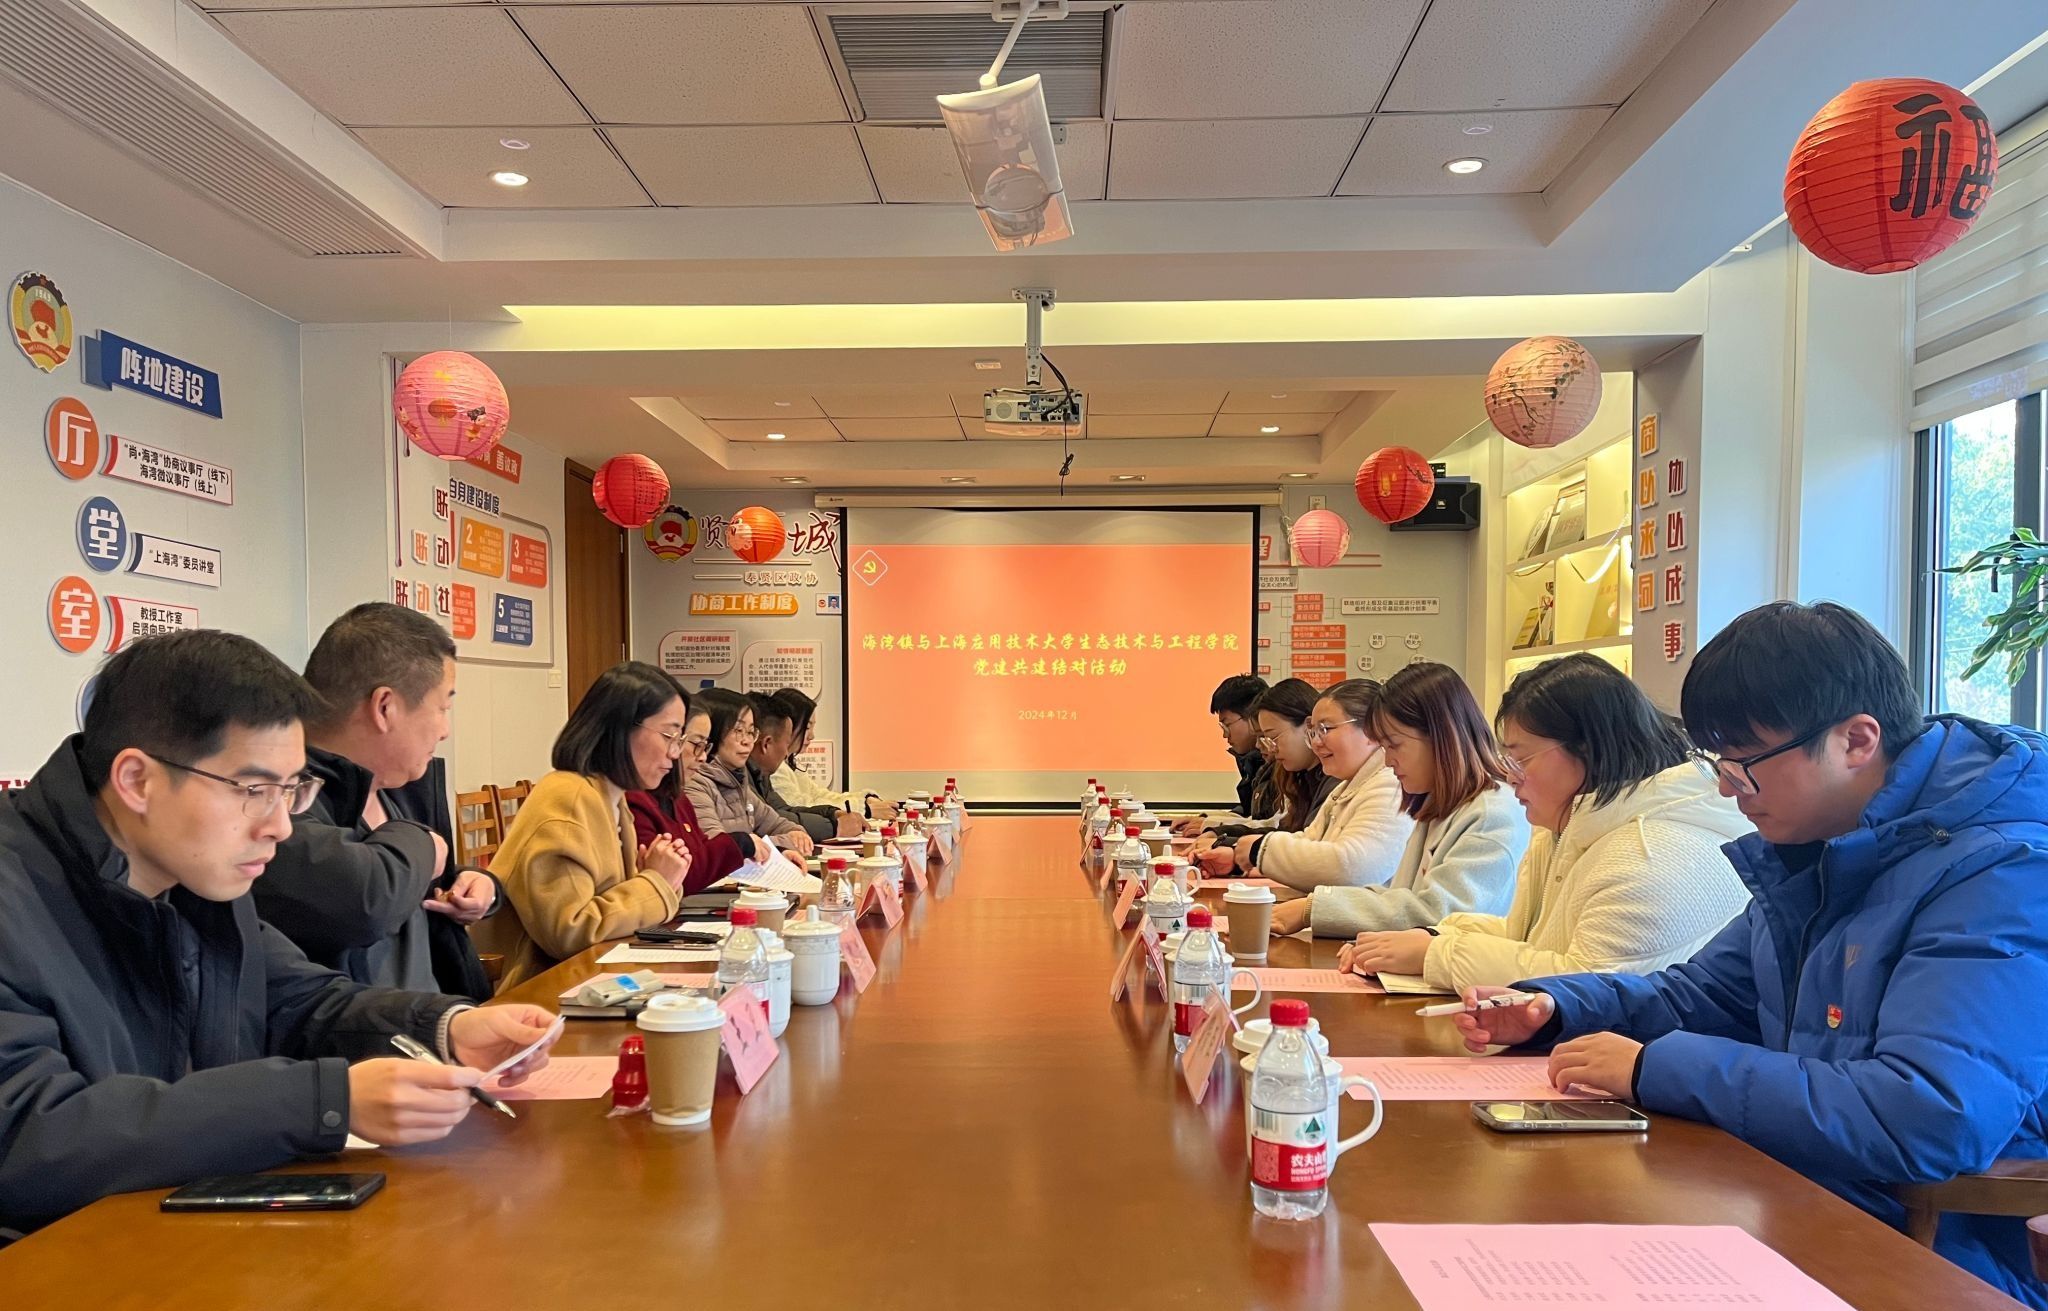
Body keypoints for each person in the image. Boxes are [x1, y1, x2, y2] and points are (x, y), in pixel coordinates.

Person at [1455, 603, 2048, 1308]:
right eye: (1718, 761)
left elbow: (1928, 1112)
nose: (1726, 787)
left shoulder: (2001, 873)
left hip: (1934, 1255)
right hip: (1796, 1200)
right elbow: (1704, 993)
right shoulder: (1820, 848)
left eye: (1745, 763)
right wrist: (1558, 1007)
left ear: (1856, 740)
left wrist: (1652, 1068)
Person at [0, 630, 560, 1238]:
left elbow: (299, 1001)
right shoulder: (20, 892)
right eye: (254, 790)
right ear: (137, 780)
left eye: (292, 791)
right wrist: (324, 1101)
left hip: (181, 1236)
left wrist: (446, 1028)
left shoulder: (193, 877)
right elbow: (30, 1134)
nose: (280, 827)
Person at [1343, 653, 1748, 992]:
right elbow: (1530, 937)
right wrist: (1434, 938)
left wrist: (1437, 954)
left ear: (1587, 749)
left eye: (1521, 758)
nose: (1511, 776)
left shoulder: (1647, 853)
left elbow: (1591, 985)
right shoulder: (1574, 827)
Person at [256, 603, 501, 1001]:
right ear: (385, 707)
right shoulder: (283, 796)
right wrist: (424, 843)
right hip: (363, 1034)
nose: (444, 730)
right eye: (442, 708)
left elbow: (425, 872)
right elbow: (366, 897)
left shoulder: (400, 783)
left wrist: (480, 886)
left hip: (439, 1020)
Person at [478, 662, 694, 990]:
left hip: (585, 981)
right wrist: (655, 883)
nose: (675, 753)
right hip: (536, 989)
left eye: (679, 739)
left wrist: (658, 878)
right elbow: (570, 932)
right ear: (621, 727)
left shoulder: (611, 797)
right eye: (669, 735)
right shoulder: (570, 797)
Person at [1274, 662, 1527, 938]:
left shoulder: (1492, 813)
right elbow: (1401, 895)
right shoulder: (1438, 806)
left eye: (1394, 745)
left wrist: (1314, 908)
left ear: (1441, 737)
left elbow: (1442, 916)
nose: (1388, 760)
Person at [1242, 679, 1411, 893]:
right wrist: (1252, 851)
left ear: (1371, 729)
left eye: (1325, 729)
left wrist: (1260, 850)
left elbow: (1353, 869)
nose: (1316, 742)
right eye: (1313, 732)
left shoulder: (1391, 785)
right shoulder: (1346, 787)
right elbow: (1311, 838)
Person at [628, 679, 766, 896]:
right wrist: (740, 843)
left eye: (706, 747)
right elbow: (681, 876)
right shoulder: (635, 800)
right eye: (696, 745)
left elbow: (700, 851)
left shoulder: (678, 798)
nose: (703, 757)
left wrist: (772, 856)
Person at [1193, 679, 1336, 876]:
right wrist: (1234, 850)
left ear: (1308, 726)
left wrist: (1237, 849)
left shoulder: (1335, 779)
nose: (1266, 747)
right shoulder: (1300, 777)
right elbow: (1287, 833)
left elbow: (1313, 850)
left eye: (1272, 737)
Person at [684, 688, 813, 858]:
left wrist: (793, 836)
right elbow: (719, 849)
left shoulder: (736, 780)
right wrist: (767, 844)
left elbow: (781, 826)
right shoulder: (695, 783)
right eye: (738, 731)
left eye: (751, 732)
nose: (747, 741)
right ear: (713, 731)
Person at [746, 692, 863, 842]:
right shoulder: (741, 775)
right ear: (766, 743)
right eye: (807, 727)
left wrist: (831, 813)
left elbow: (783, 809)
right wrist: (834, 826)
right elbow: (771, 819)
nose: (786, 752)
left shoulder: (759, 773)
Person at [770, 688, 895, 820]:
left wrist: (863, 799)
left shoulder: (789, 762)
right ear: (786, 726)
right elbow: (803, 807)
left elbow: (817, 795)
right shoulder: (774, 768)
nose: (812, 736)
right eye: (807, 728)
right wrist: (863, 809)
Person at [1172, 674, 1272, 836]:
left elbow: (1273, 824)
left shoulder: (1279, 763)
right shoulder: (1251, 760)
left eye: (1227, 725)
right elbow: (1249, 812)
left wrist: (1213, 825)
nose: (1225, 735)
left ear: (1252, 716)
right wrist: (1208, 819)